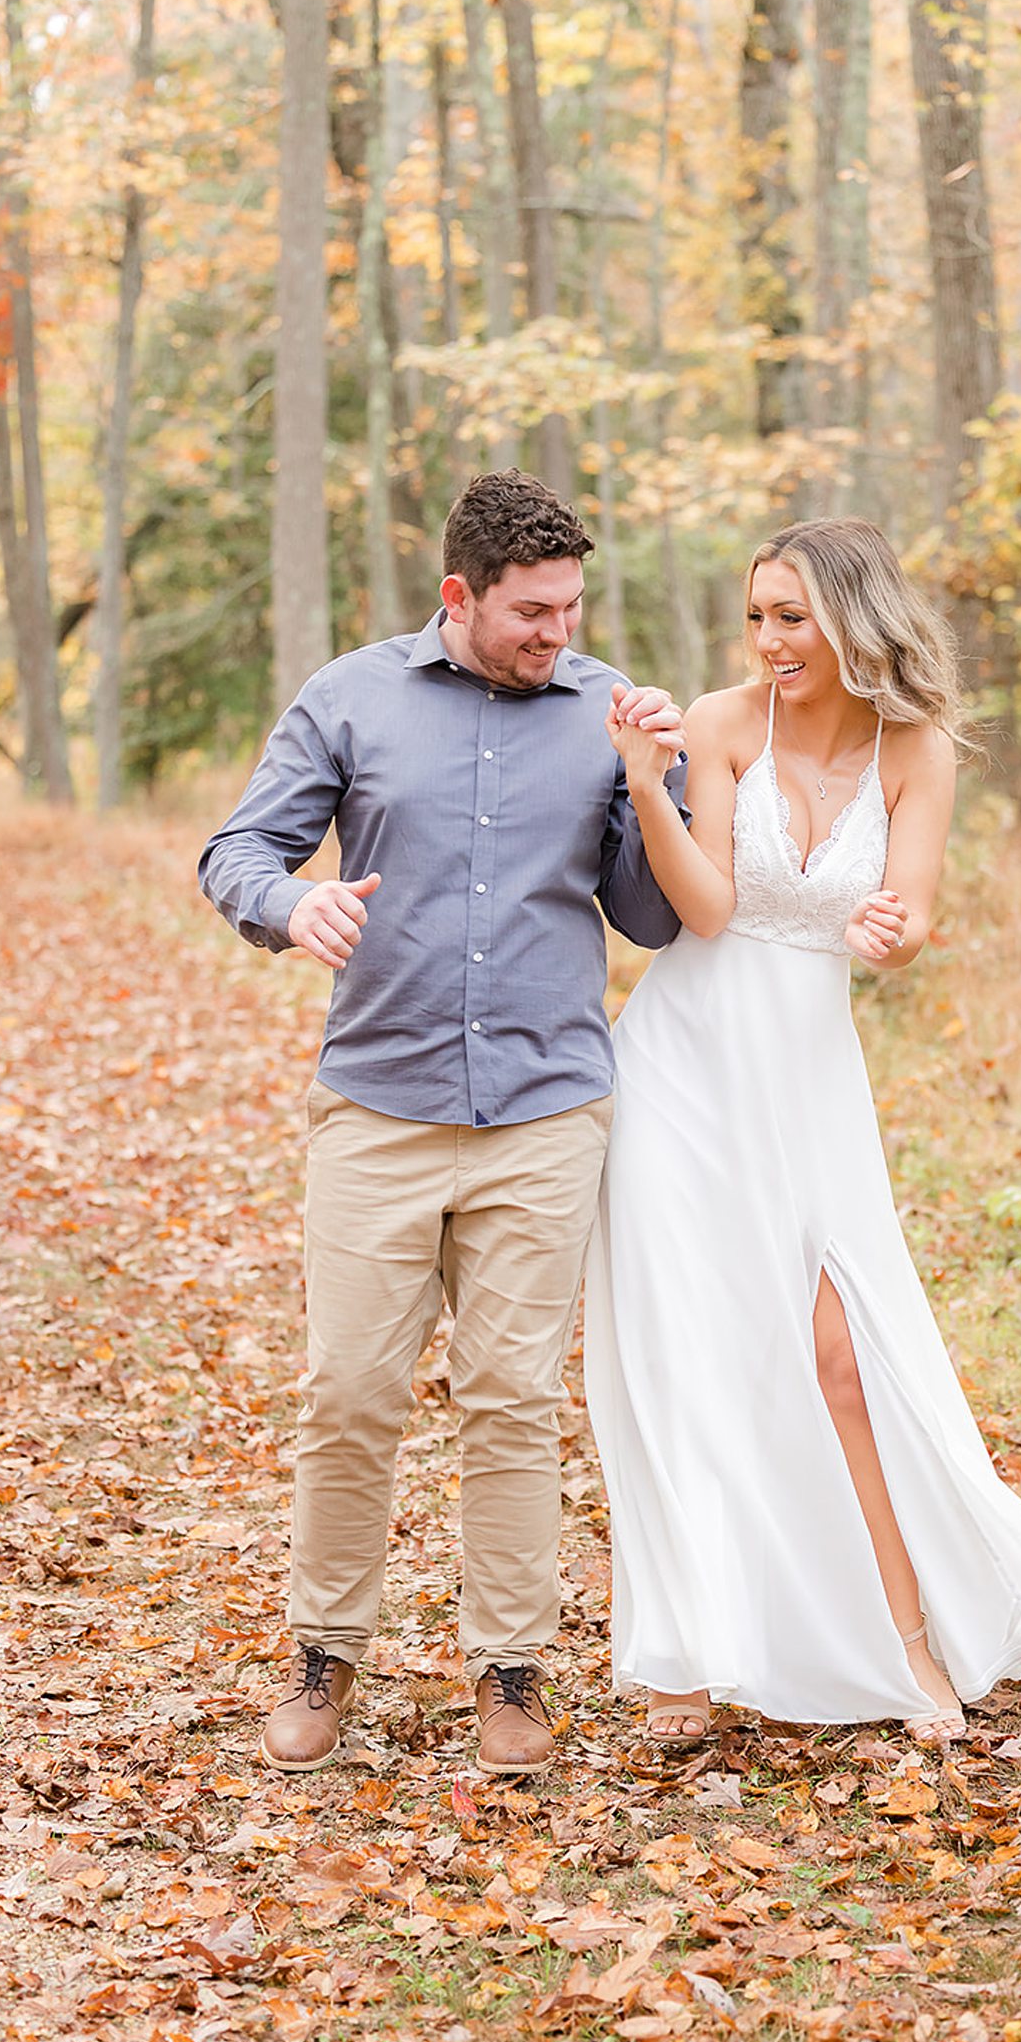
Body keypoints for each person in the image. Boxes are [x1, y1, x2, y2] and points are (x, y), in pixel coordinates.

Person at [583, 518, 1021, 1748]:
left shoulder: (919, 748)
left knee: (842, 1359)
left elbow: (909, 916)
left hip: (808, 1074)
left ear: (853, 616)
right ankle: (685, 1646)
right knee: (686, 1354)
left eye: (791, 616)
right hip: (685, 1066)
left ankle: (906, 1639)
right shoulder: (722, 722)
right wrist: (646, 780)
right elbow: (707, 908)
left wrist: (893, 933)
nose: (768, 640)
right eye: (756, 616)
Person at [199, 471, 688, 1777]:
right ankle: (323, 1652)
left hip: (545, 1112)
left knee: (516, 1396)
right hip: (378, 1107)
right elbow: (237, 850)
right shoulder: (351, 696)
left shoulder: (608, 709)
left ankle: (510, 1667)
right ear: (458, 597)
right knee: (352, 1390)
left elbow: (647, 916)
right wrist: (293, 908)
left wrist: (653, 782)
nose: (558, 634)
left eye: (572, 608)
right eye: (532, 611)